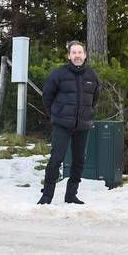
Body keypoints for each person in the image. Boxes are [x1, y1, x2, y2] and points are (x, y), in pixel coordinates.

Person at [38, 41, 100, 205]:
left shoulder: (92, 76)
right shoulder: (58, 74)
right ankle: (47, 196)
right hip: (62, 124)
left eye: (80, 52)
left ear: (85, 55)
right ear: (69, 56)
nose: (77, 55)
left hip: (82, 125)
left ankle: (71, 195)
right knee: (56, 159)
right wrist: (54, 115)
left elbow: (94, 99)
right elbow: (47, 96)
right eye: (74, 53)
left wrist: (86, 113)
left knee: (79, 160)